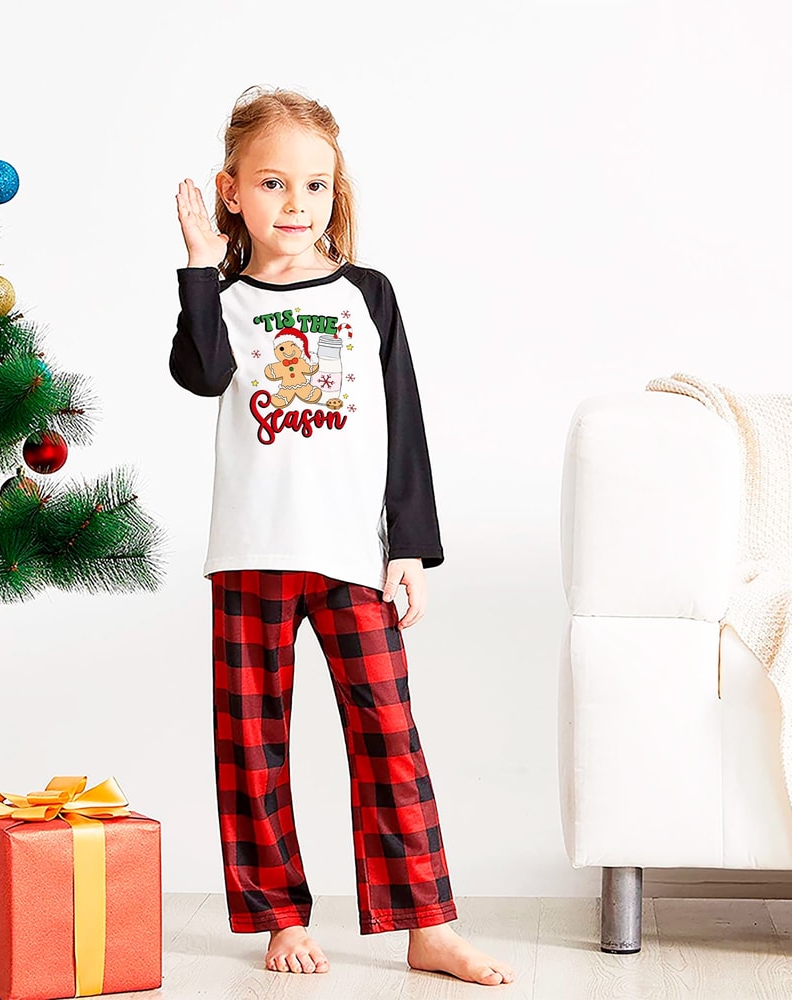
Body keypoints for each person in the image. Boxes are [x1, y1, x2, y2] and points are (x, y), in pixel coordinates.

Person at [170, 86, 514, 988]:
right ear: (232, 190)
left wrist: (410, 545)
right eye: (274, 183)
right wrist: (201, 268)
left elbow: (405, 424)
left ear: (336, 192)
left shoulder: (369, 295)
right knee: (251, 739)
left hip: (352, 554)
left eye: (314, 186)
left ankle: (427, 923)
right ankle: (279, 914)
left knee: (387, 731)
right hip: (249, 553)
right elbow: (199, 374)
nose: (295, 204)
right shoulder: (227, 300)